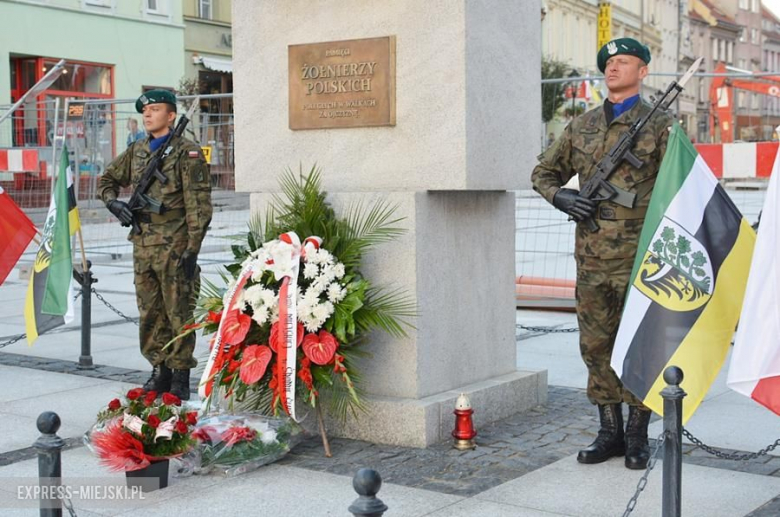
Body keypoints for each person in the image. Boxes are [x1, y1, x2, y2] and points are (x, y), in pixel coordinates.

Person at [531, 38, 673, 470]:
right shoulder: (582, 125)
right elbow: (543, 172)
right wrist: (563, 199)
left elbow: (681, 187)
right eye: (609, 63)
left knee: (640, 345)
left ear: (643, 71)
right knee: (596, 345)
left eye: (624, 62)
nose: (613, 68)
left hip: (640, 260)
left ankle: (636, 434)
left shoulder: (662, 125)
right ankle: (608, 431)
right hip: (591, 257)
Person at [97, 90, 212, 400]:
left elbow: (199, 206)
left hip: (175, 244)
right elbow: (106, 179)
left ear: (171, 115)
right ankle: (159, 368)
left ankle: (180, 375)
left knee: (179, 311)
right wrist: (114, 204)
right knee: (150, 311)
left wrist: (193, 249)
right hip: (144, 244)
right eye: (145, 110)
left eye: (156, 109)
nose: (148, 115)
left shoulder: (187, 153)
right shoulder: (136, 151)